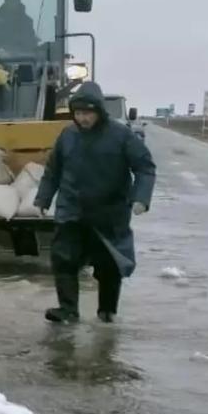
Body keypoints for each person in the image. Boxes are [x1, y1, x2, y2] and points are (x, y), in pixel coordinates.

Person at [34, 80, 157, 323]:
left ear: (99, 111)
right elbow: (53, 171)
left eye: (87, 113)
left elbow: (145, 168)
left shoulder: (121, 136)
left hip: (108, 213)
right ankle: (68, 310)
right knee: (64, 259)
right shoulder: (67, 136)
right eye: (78, 113)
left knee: (109, 265)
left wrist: (140, 198)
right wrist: (43, 199)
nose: (82, 118)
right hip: (72, 209)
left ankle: (107, 311)